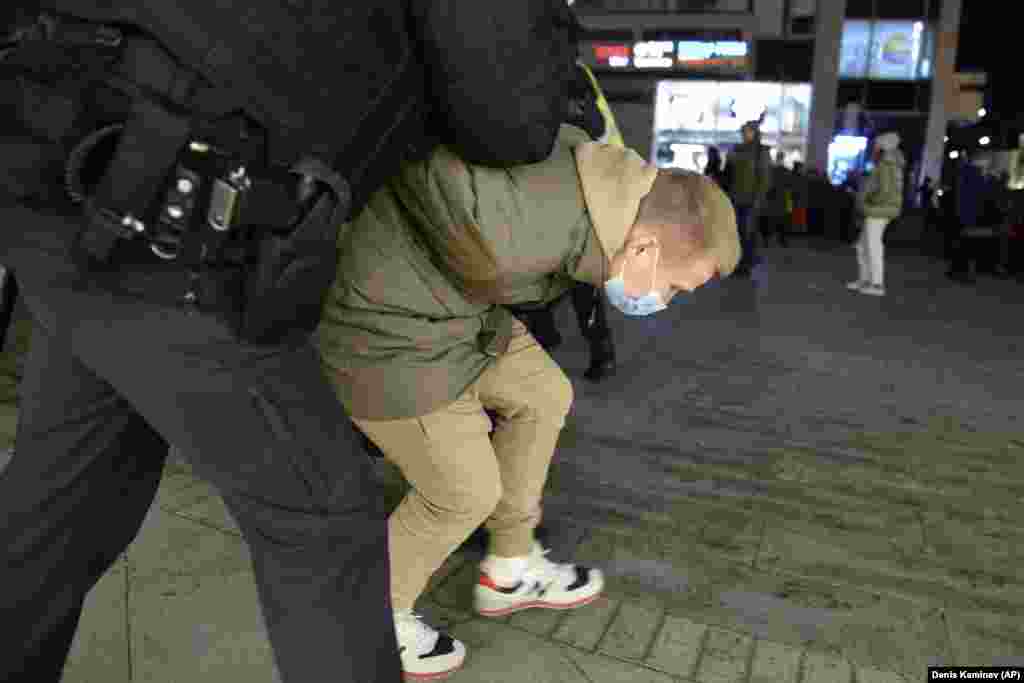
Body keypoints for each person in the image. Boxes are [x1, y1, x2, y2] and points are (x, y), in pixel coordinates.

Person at [0, 2, 579, 681]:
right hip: (170, 195)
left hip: (59, 141)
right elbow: (507, 115)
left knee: (66, 502)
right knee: (325, 522)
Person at [316, 124, 740, 679]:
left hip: (460, 312)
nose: (666, 299)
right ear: (644, 247)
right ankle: (372, 618)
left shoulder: (605, 184)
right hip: (383, 331)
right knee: (461, 492)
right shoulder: (523, 232)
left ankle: (510, 567)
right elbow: (418, 160)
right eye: (676, 288)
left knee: (544, 392)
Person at [506, 58, 622, 382]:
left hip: (572, 215)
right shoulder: (583, 118)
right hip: (576, 214)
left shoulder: (572, 122)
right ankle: (589, 348)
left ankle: (597, 351)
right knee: (563, 283)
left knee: (570, 285)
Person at [847, 132, 905, 296]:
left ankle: (877, 284)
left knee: (873, 245)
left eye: (877, 144)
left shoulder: (886, 164)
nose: (874, 147)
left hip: (879, 209)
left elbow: (884, 191)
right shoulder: (888, 163)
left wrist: (867, 202)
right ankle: (866, 280)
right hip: (880, 208)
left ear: (884, 146)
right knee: (863, 245)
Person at [723, 121, 773, 277]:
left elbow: (765, 179)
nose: (744, 134)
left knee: (747, 233)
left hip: (750, 200)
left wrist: (758, 200)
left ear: (754, 133)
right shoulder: (738, 150)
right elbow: (729, 174)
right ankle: (737, 263)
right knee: (737, 233)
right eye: (743, 132)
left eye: (746, 131)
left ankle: (745, 265)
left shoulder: (761, 152)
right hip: (736, 198)